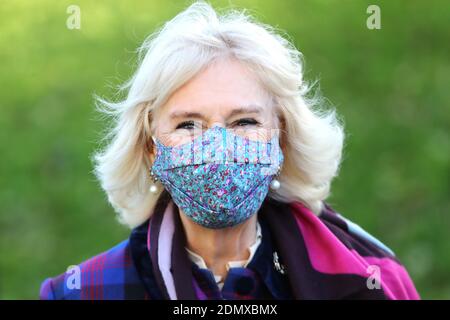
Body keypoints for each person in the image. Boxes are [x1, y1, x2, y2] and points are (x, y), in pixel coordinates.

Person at [40, 1, 420, 300]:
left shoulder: (372, 282)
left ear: (282, 141)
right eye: (188, 124)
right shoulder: (84, 292)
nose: (218, 147)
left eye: (245, 122)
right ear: (151, 148)